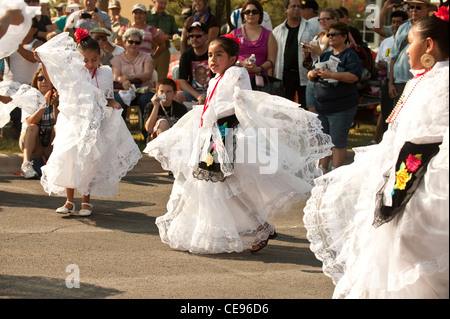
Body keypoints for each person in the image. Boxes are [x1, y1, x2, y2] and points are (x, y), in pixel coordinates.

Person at [303, 9, 449, 298]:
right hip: (403, 173)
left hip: (419, 181)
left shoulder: (441, 82)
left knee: (410, 247)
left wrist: (396, 191)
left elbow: (425, 141)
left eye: (410, 42)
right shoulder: (425, 78)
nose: (405, 51)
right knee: (392, 249)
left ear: (429, 45)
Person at [143, 35, 333, 254]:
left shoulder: (236, 72)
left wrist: (217, 109)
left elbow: (240, 100)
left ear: (233, 58)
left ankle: (260, 226)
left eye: (219, 55)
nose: (212, 59)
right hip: (213, 135)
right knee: (219, 185)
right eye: (210, 55)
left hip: (228, 133)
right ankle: (258, 227)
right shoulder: (214, 80)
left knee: (231, 183)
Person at [36, 30, 142, 217]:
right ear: (78, 58)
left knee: (89, 161)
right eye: (85, 60)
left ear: (100, 55)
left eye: (94, 60)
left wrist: (113, 103)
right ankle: (69, 201)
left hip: (93, 124)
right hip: (72, 121)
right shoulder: (73, 73)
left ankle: (86, 201)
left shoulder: (105, 74)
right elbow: (54, 80)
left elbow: (107, 97)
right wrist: (44, 62)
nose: (90, 64)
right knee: (70, 158)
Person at [307, 21, 362, 172]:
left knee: (337, 141)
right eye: (328, 34)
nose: (330, 37)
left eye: (334, 34)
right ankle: (323, 170)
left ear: (344, 36)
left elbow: (354, 77)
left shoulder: (350, 56)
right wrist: (313, 74)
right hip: (322, 107)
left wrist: (332, 75)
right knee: (324, 141)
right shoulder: (325, 55)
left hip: (341, 107)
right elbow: (310, 73)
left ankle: (336, 172)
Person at [272, 0, 321, 107]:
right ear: (286, 9)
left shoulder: (311, 27)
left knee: (306, 108)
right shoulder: (278, 31)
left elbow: (319, 50)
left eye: (299, 7)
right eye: (293, 6)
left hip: (305, 74)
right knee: (285, 109)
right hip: (284, 75)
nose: (296, 9)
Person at [111, 27, 155, 137]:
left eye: (137, 42)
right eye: (130, 41)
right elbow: (115, 76)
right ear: (125, 43)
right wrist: (123, 80)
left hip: (142, 91)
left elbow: (147, 75)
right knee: (117, 101)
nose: (133, 45)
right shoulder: (118, 58)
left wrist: (128, 77)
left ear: (140, 44)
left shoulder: (146, 57)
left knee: (147, 100)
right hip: (123, 91)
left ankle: (147, 135)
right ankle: (119, 136)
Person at [388, 0, 433, 107]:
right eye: (411, 7)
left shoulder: (431, 28)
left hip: (421, 81)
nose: (414, 10)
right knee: (397, 119)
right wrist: (390, 84)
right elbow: (393, 57)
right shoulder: (403, 27)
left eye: (418, 7)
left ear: (427, 9)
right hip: (399, 82)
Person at [374, 9, 409, 137]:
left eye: (398, 22)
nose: (395, 25)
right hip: (387, 82)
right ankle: (384, 139)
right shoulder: (386, 42)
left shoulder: (410, 38)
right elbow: (377, 62)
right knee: (386, 114)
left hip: (402, 81)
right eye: (393, 22)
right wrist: (378, 65)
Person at [19, 67, 58, 179]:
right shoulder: (29, 98)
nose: (43, 82)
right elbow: (31, 121)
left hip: (49, 144)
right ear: (36, 82)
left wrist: (54, 105)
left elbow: (60, 122)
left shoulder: (59, 97)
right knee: (32, 127)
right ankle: (26, 164)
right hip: (32, 143)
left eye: (47, 79)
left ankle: (55, 165)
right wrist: (44, 104)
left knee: (58, 127)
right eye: (40, 79)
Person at [302, 7, 340, 112]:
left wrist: (320, 53)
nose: (322, 21)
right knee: (312, 114)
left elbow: (338, 61)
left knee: (324, 116)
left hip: (328, 81)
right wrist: (307, 55)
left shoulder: (338, 38)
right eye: (320, 19)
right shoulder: (317, 38)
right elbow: (311, 63)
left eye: (326, 19)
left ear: (335, 19)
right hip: (313, 79)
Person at [232, 0, 277, 79]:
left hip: (260, 82)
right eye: (247, 12)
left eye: (255, 11)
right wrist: (241, 63)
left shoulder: (269, 35)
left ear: (260, 15)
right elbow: (227, 58)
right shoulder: (234, 34)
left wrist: (258, 69)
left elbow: (271, 61)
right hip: (238, 80)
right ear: (243, 15)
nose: (251, 14)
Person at [174, 21, 212, 105]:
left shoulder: (213, 53)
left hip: (214, 93)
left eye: (198, 36)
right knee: (176, 96)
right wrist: (198, 96)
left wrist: (209, 95)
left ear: (206, 36)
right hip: (194, 93)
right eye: (191, 36)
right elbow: (182, 82)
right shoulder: (186, 55)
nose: (194, 39)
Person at [143, 78, 187, 143]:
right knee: (162, 123)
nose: (164, 95)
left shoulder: (181, 108)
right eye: (161, 91)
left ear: (174, 93)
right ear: (157, 92)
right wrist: (156, 106)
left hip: (176, 142)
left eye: (168, 92)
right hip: (156, 143)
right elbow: (148, 129)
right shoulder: (151, 106)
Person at [146, 0, 180, 81]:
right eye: (160, 3)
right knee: (146, 78)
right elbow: (140, 29)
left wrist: (167, 37)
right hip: (148, 51)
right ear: (154, 2)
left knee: (162, 80)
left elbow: (176, 34)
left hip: (164, 52)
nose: (163, 6)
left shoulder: (170, 18)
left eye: (165, 3)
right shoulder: (146, 15)